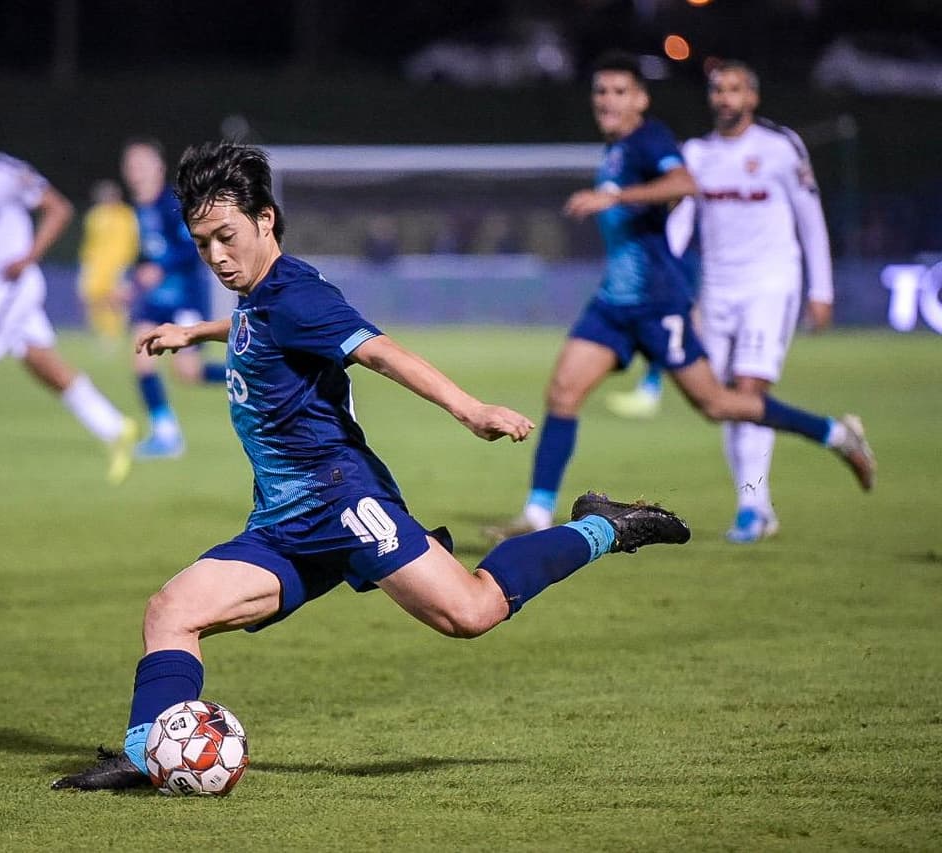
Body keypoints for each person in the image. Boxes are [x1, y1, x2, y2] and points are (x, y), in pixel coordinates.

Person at [51, 140, 693, 793]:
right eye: (201, 243)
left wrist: (469, 408)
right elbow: (260, 327)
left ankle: (601, 527)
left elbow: (381, 351)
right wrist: (194, 333)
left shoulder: (298, 295)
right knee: (171, 610)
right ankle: (144, 754)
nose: (216, 256)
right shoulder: (259, 292)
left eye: (226, 236)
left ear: (266, 219)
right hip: (283, 523)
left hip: (344, 504)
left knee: (470, 612)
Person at [483, 52, 874, 542]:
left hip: (657, 303)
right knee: (562, 393)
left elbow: (683, 184)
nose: (607, 100)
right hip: (614, 304)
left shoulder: (650, 140)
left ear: (641, 100)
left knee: (719, 403)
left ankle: (835, 435)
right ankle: (537, 515)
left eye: (620, 92)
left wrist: (617, 197)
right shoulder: (619, 148)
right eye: (601, 91)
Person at [605, 61, 838, 542]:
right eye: (718, 90)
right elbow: (679, 225)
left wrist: (822, 289)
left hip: (771, 282)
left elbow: (809, 217)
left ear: (752, 97)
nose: (725, 98)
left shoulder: (779, 147)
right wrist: (660, 280)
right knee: (723, 399)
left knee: (748, 389)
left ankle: (751, 506)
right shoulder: (697, 153)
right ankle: (758, 504)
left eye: (735, 90)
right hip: (717, 288)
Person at [0, 111, 138, 493]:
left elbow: (59, 209)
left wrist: (29, 256)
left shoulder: (6, 173)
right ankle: (115, 427)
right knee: (42, 364)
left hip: (11, 283)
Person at [120, 138, 225, 459]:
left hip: (185, 299)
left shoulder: (171, 204)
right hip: (157, 301)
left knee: (188, 373)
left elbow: (191, 246)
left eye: (142, 164)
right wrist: (128, 281)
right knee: (142, 359)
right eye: (131, 165)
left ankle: (265, 374)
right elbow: (148, 254)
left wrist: (158, 267)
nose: (135, 172)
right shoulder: (140, 208)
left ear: (159, 167)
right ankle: (166, 435)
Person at [75, 179, 137, 342]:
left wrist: (126, 262)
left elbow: (132, 241)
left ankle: (117, 332)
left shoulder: (126, 215)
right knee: (93, 298)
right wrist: (86, 264)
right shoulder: (95, 216)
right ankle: (100, 332)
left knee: (116, 298)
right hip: (96, 265)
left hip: (118, 264)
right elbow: (89, 242)